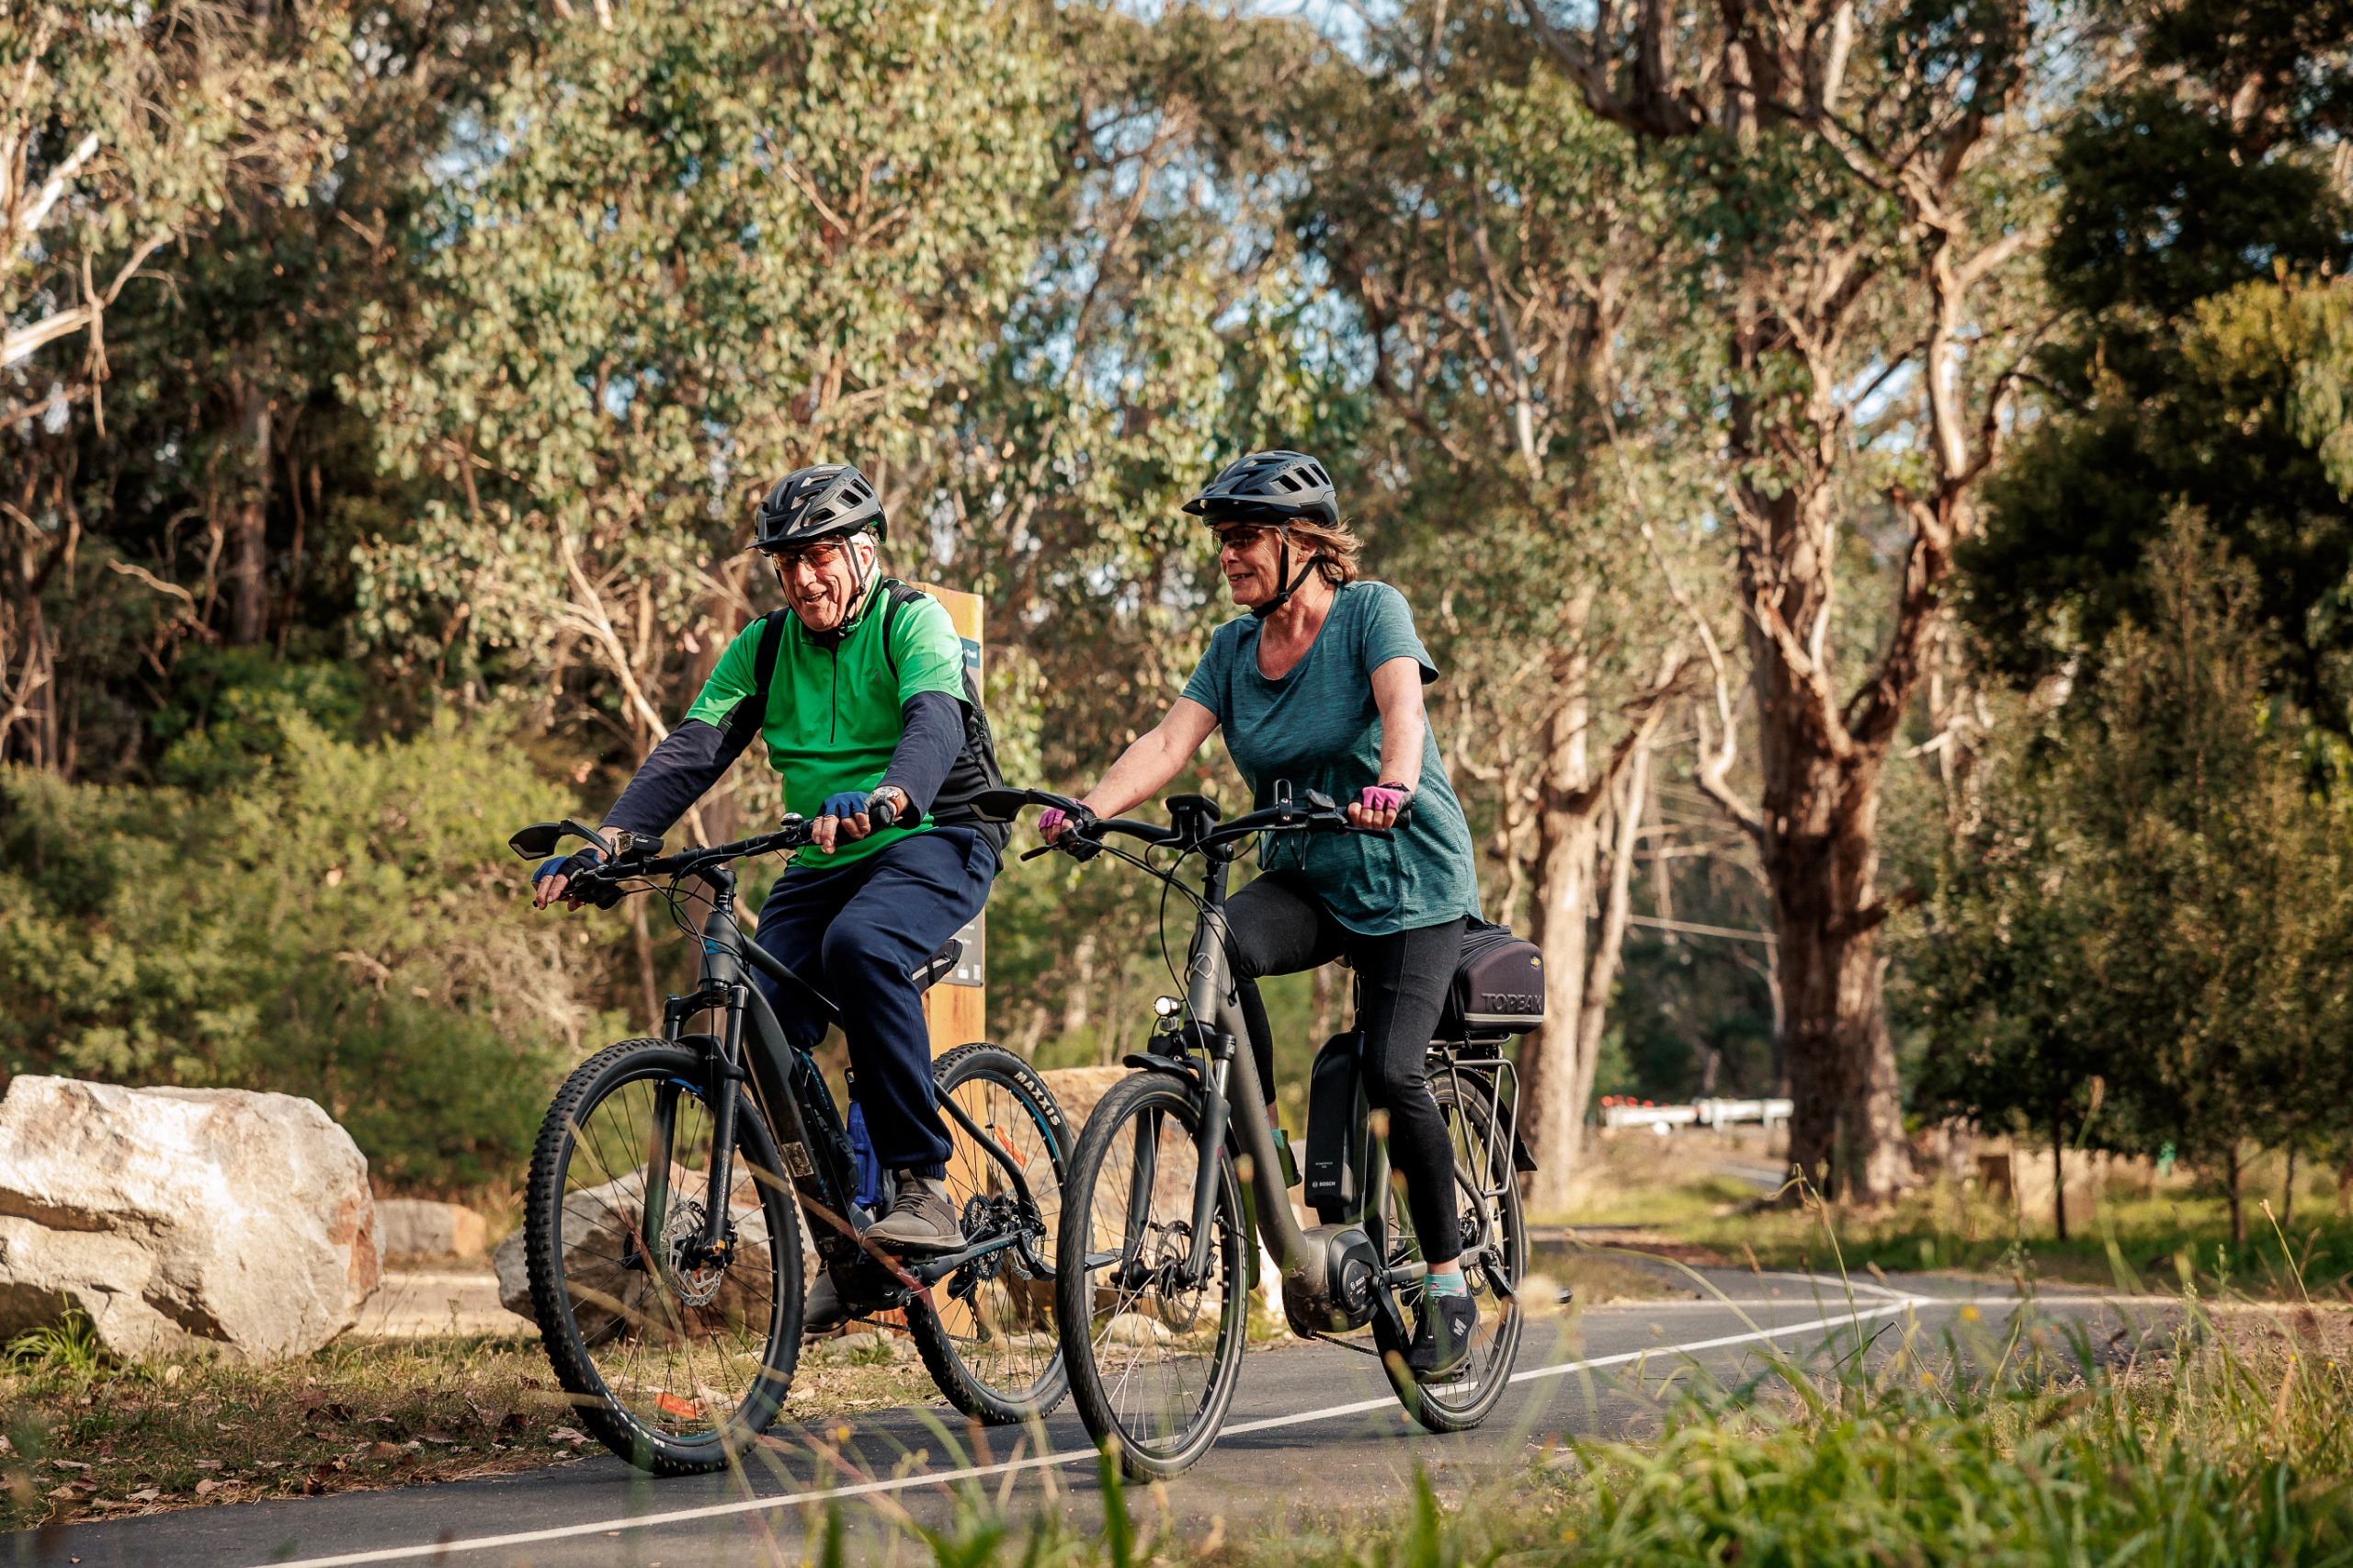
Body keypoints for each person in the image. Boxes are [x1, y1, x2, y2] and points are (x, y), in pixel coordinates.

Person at [1042, 450, 1486, 1380]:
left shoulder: (1371, 611)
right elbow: (1169, 741)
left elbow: (1400, 705)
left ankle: (1447, 1280)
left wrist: (1395, 782)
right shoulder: (1232, 649)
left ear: (1301, 543)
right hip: (1311, 877)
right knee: (1215, 943)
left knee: (1394, 1068)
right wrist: (1091, 807)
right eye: (1223, 541)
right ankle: (1270, 1161)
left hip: (1407, 879)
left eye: (1242, 538)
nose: (1227, 556)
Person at [531, 464, 1005, 1324]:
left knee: (862, 948)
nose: (804, 578)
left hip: (939, 832)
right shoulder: (764, 645)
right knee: (760, 1024)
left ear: (862, 552)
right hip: (823, 851)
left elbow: (935, 723)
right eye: (787, 564)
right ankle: (840, 1243)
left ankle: (920, 1184)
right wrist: (609, 842)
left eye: (820, 555)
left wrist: (893, 795)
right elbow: (693, 748)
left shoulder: (912, 620)